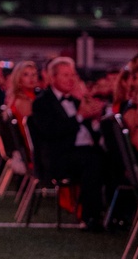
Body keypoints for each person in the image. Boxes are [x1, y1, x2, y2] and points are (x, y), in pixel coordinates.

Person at [29, 56, 108, 230]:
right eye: (65, 75)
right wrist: (80, 116)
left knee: (111, 158)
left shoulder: (75, 101)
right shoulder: (42, 102)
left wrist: (95, 120)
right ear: (53, 77)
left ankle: (116, 215)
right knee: (94, 161)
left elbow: (90, 132)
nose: (71, 79)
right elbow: (51, 133)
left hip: (84, 152)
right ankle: (91, 217)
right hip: (58, 157)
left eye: (72, 74)